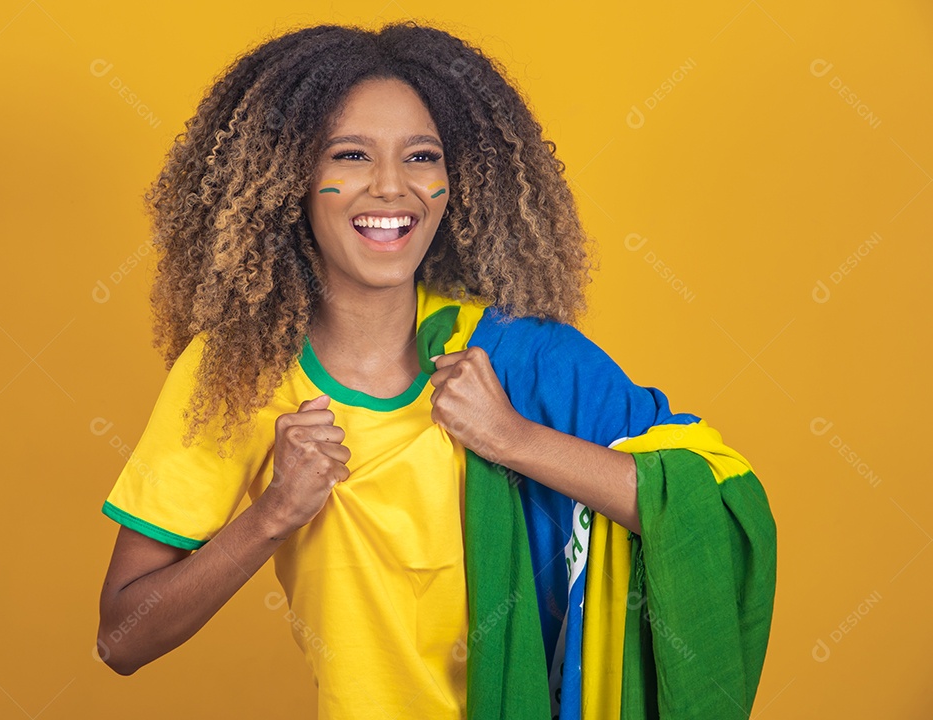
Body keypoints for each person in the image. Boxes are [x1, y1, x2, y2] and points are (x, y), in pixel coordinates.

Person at [95, 20, 777, 720]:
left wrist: (513, 439)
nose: (393, 188)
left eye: (422, 157)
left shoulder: (520, 357)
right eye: (351, 155)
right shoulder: (239, 373)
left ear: (458, 181)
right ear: (288, 179)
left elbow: (713, 510)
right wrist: (272, 515)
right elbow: (122, 637)